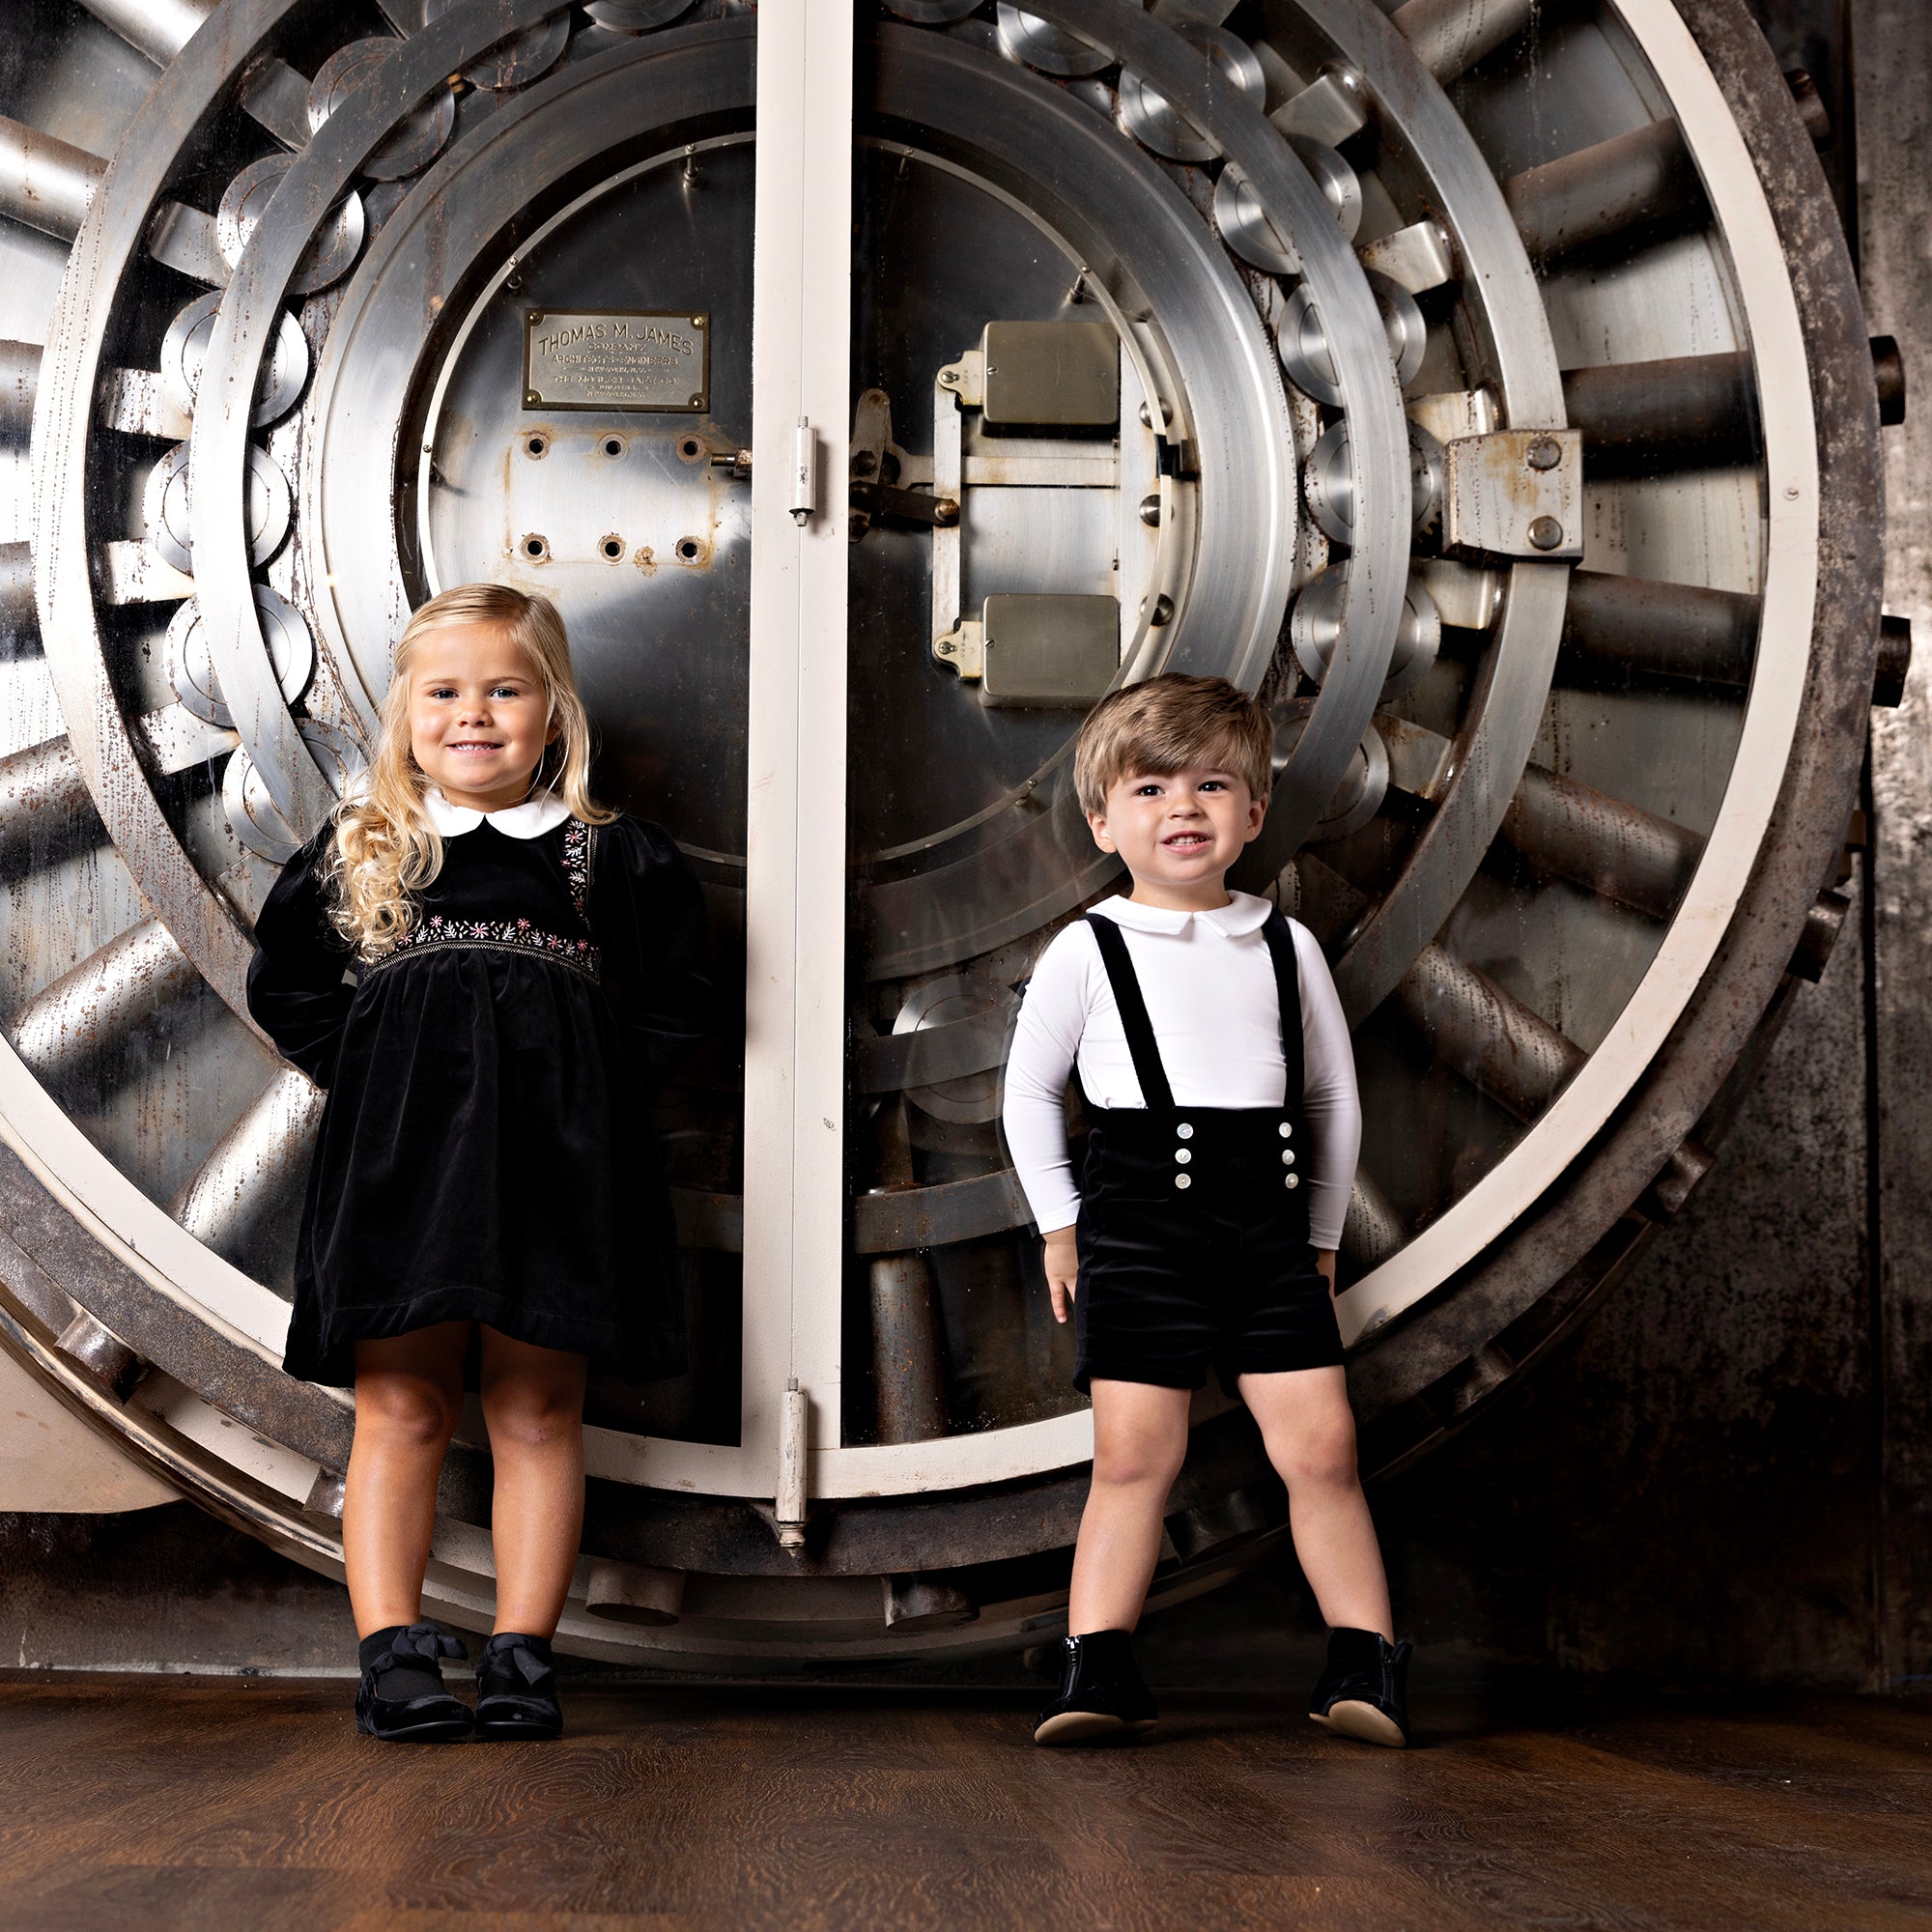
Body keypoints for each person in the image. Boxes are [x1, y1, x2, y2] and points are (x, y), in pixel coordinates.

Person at [247, 583, 711, 1744]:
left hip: (558, 1165)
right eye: (444, 692)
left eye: (505, 690)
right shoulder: (369, 849)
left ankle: (522, 1651)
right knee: (399, 1403)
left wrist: (593, 1084)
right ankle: (391, 1654)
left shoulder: (607, 854)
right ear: (405, 716)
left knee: (540, 1404)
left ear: (553, 715)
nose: (474, 714)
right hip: (402, 1170)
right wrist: (374, 1076)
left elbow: (683, 996)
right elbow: (287, 986)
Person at [1001, 673, 1408, 1748]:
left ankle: (1362, 1661)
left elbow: (1328, 1099)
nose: (1181, 807)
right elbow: (1029, 1092)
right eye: (1148, 787)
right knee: (1134, 1455)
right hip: (1135, 1225)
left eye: (1210, 783)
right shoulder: (1086, 948)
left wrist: (1319, 1237)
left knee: (1321, 1446)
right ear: (1103, 819)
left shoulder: (1285, 945)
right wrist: (1058, 1222)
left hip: (1266, 1229)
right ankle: (1098, 1666)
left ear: (1252, 814)